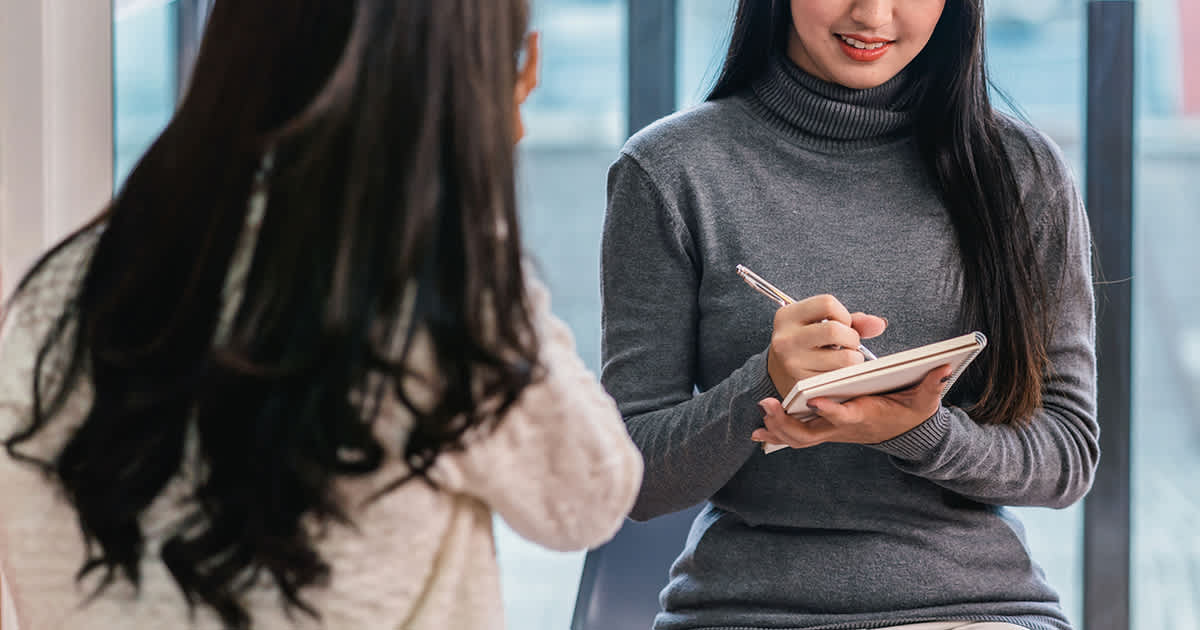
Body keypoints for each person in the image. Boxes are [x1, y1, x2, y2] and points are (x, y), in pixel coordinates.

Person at [0, 1, 643, 629]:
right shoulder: (424, 298)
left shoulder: (59, 297)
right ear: (456, 82)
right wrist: (472, 235)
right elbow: (591, 493)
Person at [600, 0, 1097, 629]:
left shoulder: (1021, 172)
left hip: (974, 609)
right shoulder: (670, 170)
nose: (872, 13)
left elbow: (1066, 455)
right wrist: (767, 382)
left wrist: (915, 432)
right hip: (744, 612)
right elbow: (630, 477)